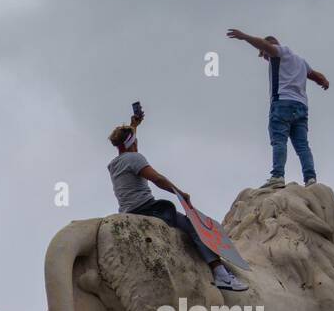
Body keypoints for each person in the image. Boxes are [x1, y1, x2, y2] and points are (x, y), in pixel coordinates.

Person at [106, 110, 248, 292]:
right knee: (193, 226)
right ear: (132, 142)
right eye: (135, 140)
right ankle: (221, 275)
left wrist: (134, 126)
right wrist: (179, 192)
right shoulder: (135, 158)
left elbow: (129, 145)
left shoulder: (114, 164)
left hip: (126, 211)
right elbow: (157, 179)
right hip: (148, 208)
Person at [226, 29, 329, 188]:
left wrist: (244, 37)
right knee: (302, 145)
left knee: (279, 140)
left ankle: (277, 176)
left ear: (270, 46)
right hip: (301, 107)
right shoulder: (301, 61)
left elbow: (263, 44)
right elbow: (316, 76)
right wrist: (323, 81)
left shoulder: (282, 52)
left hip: (282, 103)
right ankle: (310, 178)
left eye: (264, 54)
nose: (265, 58)